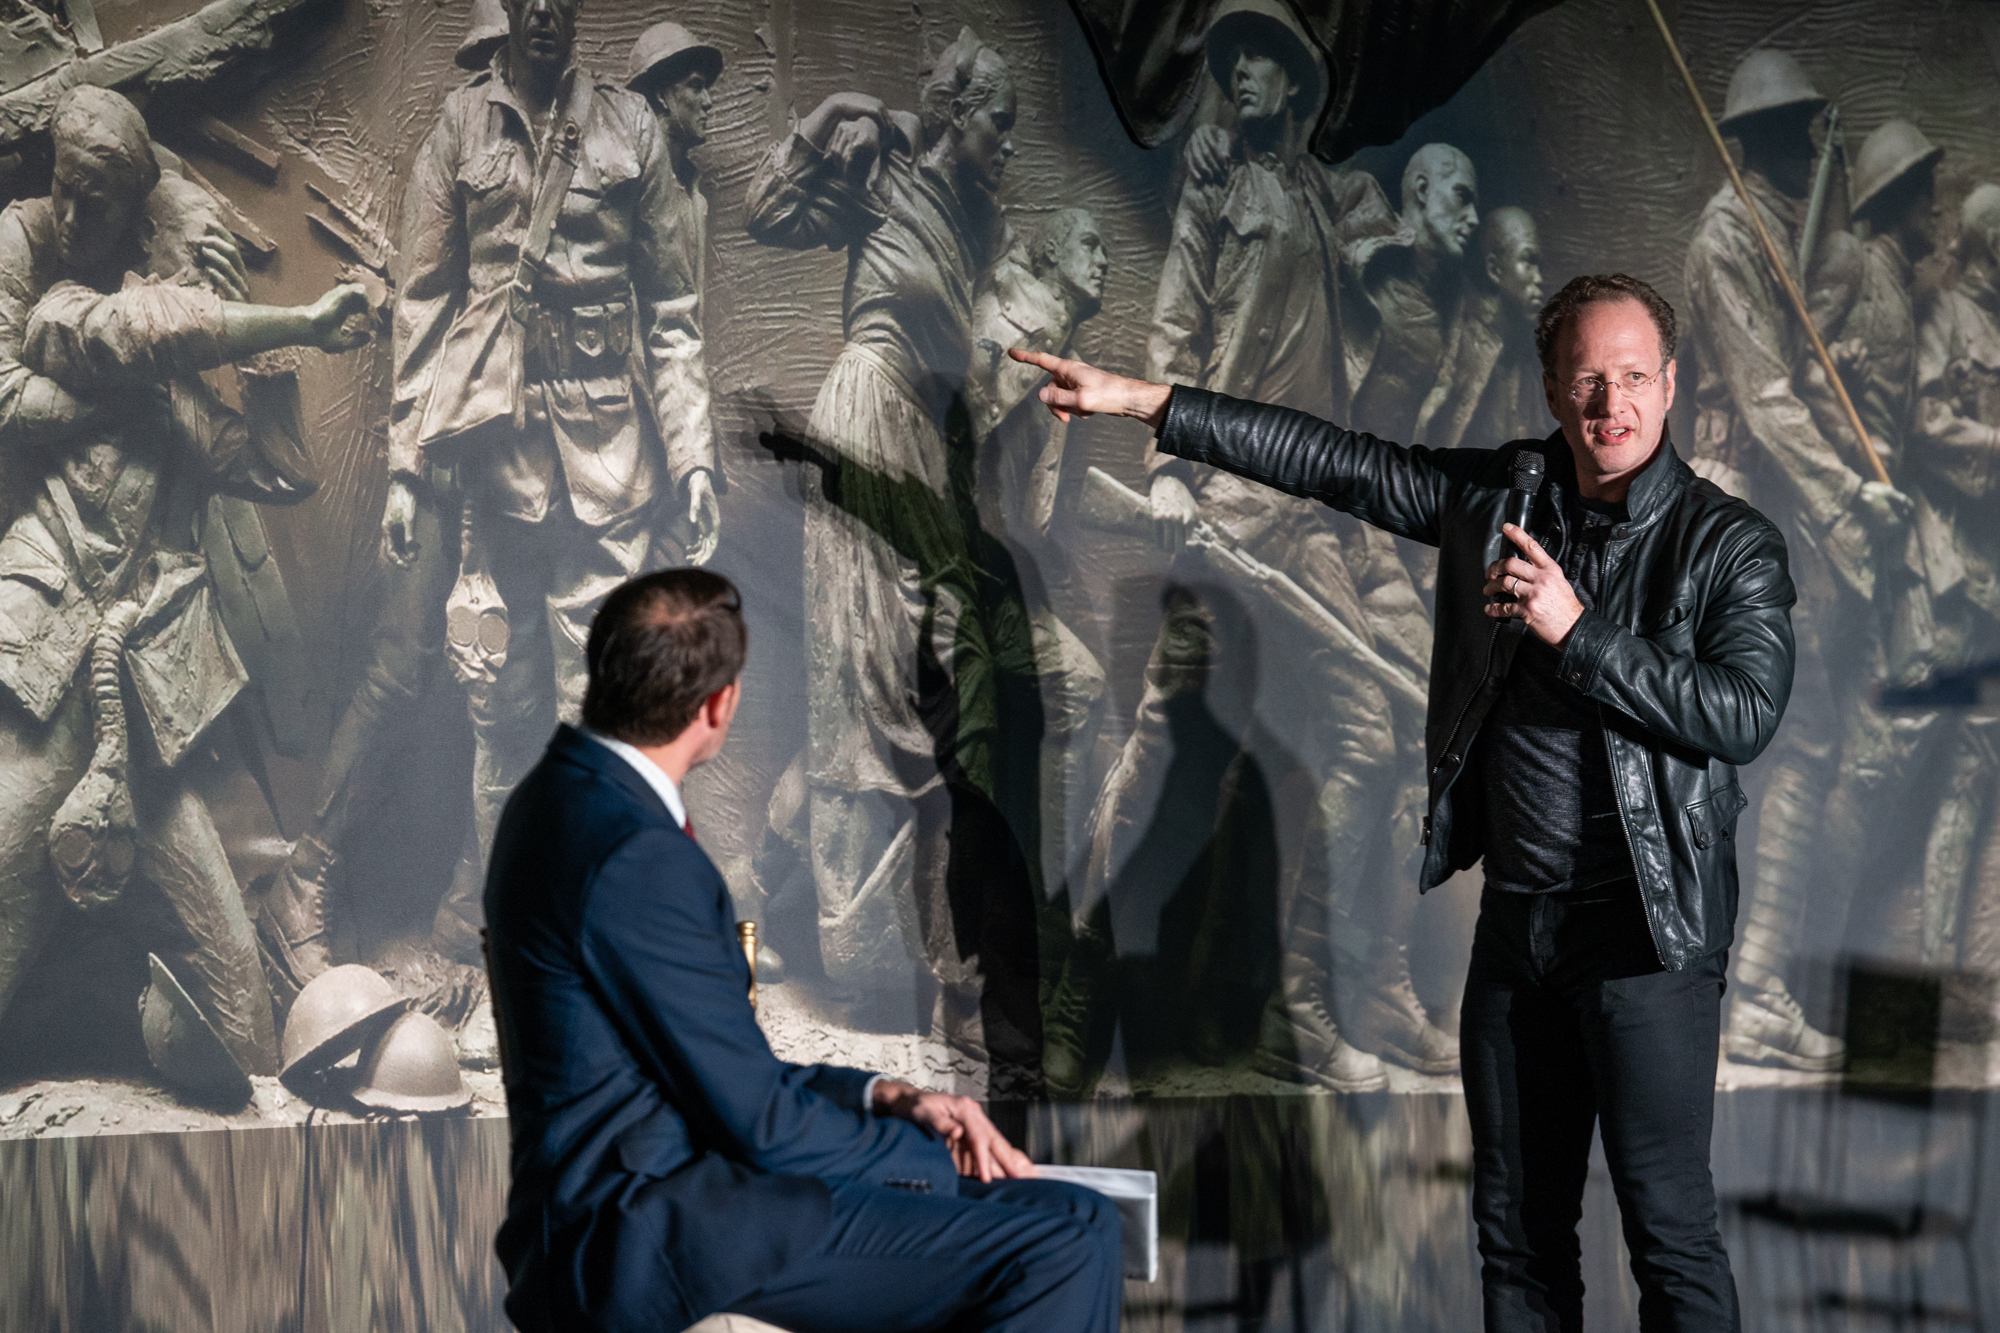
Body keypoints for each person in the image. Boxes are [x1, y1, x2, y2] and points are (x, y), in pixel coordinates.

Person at [1013, 269, 1791, 1329]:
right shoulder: (1501, 500)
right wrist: (1152, 405)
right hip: (1520, 933)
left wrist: (1578, 631)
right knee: (1515, 1234)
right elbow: (1341, 463)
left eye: (1630, 378)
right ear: (1554, 391)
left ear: (1668, 385)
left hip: (1644, 941)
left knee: (1667, 1230)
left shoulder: (1726, 542)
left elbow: (1741, 710)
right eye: (1584, 381)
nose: (1609, 403)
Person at [482, 568, 1122, 1333]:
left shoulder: (556, 797)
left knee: (1078, 1216)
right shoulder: (633, 852)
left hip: (662, 1201)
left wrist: (890, 1095)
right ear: (718, 704)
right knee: (1069, 1240)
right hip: (647, 1232)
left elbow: (715, 1065)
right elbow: (759, 1122)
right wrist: (918, 1154)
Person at [1046, 0, 1441, 1098]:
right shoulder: (1215, 181)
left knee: (1367, 738)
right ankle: (1078, 995)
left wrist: (1386, 268)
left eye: (1268, 57)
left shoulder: (1335, 198)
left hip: (1308, 518)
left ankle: (1298, 1011)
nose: (1246, 74)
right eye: (1234, 60)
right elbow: (1174, 330)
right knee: (1173, 750)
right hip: (1225, 508)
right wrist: (1170, 469)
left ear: (1302, 82)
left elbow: (1396, 344)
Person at [0, 84, 373, 1079]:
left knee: (242, 1019)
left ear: (133, 218)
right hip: (44, 689)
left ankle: (108, 1017)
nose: (79, 222)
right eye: (68, 197)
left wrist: (271, 359)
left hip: (143, 725)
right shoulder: (57, 310)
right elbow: (128, 336)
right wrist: (272, 313)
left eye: (105, 205)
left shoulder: (170, 409)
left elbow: (281, 472)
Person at [383, 0, 720, 964]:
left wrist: (693, 457)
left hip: (613, 460)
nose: (541, 14)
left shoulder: (629, 127)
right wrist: (407, 469)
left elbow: (674, 314)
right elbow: (425, 305)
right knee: (500, 713)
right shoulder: (459, 128)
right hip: (497, 466)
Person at [744, 28, 1041, 1078]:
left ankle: (895, 945)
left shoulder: (977, 215)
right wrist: (839, 112)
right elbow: (767, 213)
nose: (1008, 140)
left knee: (931, 698)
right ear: (954, 109)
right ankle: (871, 963)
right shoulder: (884, 172)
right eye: (996, 119)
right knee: (874, 698)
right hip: (865, 422)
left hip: (925, 448)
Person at [1682, 50, 1912, 1072]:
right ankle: (1707, 990)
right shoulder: (1726, 236)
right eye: (1781, 129)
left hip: (1791, 514)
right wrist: (1847, 495)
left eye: (1805, 127)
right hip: (1738, 505)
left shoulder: (1797, 226)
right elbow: (1764, 397)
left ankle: (1756, 986)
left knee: (1804, 735)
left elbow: (1815, 369)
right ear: (1748, 137)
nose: (1799, 143)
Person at [1415, 205, 1548, 450]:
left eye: (1539, 266)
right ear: (1494, 269)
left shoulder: (1525, 359)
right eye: (1528, 262)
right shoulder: (1451, 334)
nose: (1538, 278)